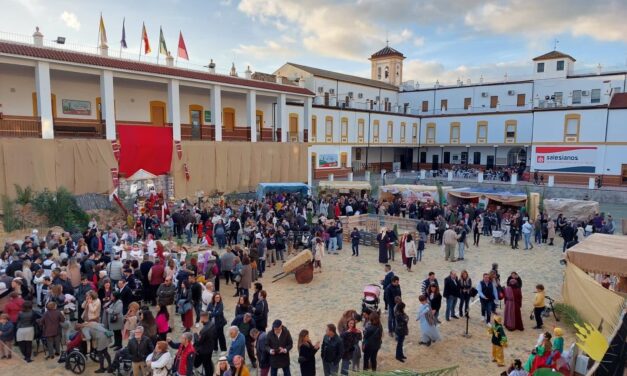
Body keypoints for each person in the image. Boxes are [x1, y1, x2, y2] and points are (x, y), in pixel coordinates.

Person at [196, 311, 217, 376]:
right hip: (210, 348)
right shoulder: (212, 324)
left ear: (203, 317)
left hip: (204, 351)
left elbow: (198, 342)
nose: (200, 319)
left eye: (200, 317)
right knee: (209, 363)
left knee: (206, 365)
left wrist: (195, 334)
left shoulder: (204, 330)